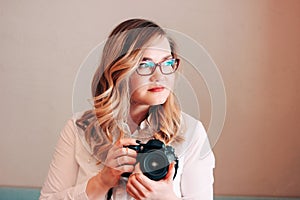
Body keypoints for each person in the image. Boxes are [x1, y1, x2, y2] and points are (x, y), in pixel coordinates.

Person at [40, 18, 215, 200]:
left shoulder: (191, 132)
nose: (160, 75)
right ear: (119, 70)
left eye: (167, 63)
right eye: (144, 64)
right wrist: (101, 182)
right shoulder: (79, 128)